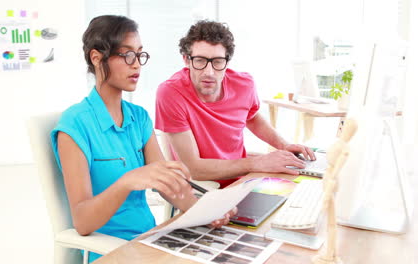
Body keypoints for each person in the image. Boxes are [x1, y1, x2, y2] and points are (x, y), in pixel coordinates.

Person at [50, 15, 236, 263]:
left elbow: (168, 185)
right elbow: (82, 222)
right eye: (127, 55)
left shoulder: (139, 118)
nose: (136, 64)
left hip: (150, 242)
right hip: (108, 252)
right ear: (96, 58)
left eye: (139, 55)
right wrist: (127, 181)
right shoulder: (75, 125)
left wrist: (206, 212)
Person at [155, 20, 316, 188]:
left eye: (217, 62)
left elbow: (252, 118)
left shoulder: (244, 84)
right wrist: (254, 163)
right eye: (200, 61)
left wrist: (284, 145)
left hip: (242, 178)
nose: (209, 72)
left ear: (227, 61)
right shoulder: (170, 93)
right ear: (186, 60)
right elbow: (194, 168)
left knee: (299, 197)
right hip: (203, 185)